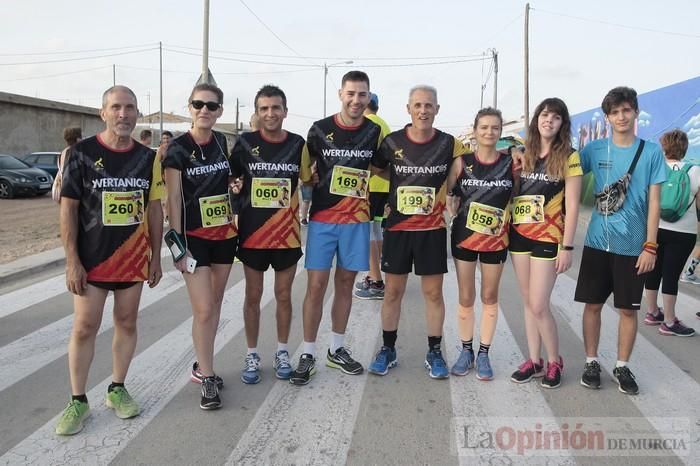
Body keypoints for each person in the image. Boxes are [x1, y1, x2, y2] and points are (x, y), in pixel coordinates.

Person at [55, 85, 164, 435]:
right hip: (92, 260)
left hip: (132, 259)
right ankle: (77, 400)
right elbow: (68, 209)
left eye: (130, 107)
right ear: (103, 113)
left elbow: (154, 209)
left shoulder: (148, 159)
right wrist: (72, 260)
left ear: (137, 113)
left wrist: (155, 257)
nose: (123, 114)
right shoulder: (81, 153)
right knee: (85, 327)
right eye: (116, 107)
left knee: (127, 323)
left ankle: (117, 388)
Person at [290, 70, 383, 385]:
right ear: (341, 94)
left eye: (362, 95)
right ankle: (307, 352)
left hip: (357, 221)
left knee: (345, 285)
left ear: (368, 97)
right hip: (323, 219)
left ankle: (337, 348)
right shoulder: (318, 130)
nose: (356, 100)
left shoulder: (374, 131)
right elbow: (304, 170)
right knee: (315, 287)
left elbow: (385, 166)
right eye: (351, 94)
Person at [367, 85, 465, 379]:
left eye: (429, 105)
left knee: (433, 293)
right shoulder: (392, 141)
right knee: (393, 292)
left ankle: (434, 352)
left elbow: (475, 159)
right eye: (418, 105)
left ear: (437, 109)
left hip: (432, 229)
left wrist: (515, 152)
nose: (423, 110)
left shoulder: (450, 143)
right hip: (397, 228)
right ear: (408, 109)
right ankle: (388, 349)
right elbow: (378, 169)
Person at [574, 87, 666, 395]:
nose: (621, 117)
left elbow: (655, 203)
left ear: (636, 113)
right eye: (615, 112)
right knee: (593, 305)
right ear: (608, 117)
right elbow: (566, 172)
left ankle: (622, 365)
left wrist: (650, 245)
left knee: (628, 310)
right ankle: (591, 361)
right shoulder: (594, 149)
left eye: (626, 110)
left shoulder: (651, 152)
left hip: (634, 247)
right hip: (597, 243)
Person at [163, 83, 237, 409]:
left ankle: (200, 364)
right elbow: (174, 202)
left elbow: (229, 183)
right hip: (194, 240)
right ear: (190, 107)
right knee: (204, 309)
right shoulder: (177, 149)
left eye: (211, 105)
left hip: (224, 236)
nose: (204, 110)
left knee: (215, 304)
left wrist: (236, 187)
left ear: (220, 110)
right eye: (198, 104)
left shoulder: (222, 141)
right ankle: (207, 377)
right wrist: (179, 247)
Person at [229, 85, 305, 383]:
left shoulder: (298, 144)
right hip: (252, 234)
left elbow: (313, 177)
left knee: (284, 295)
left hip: (287, 234)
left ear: (285, 111)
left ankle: (282, 351)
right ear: (257, 113)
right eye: (264, 109)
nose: (270, 114)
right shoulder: (245, 143)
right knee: (253, 295)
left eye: (276, 108)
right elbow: (231, 179)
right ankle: (251, 354)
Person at [508, 98, 583, 389]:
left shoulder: (570, 156)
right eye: (544, 115)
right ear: (536, 119)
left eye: (555, 117)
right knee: (528, 302)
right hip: (520, 235)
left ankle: (555, 361)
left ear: (562, 124)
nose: (548, 120)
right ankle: (534, 360)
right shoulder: (522, 155)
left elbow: (574, 205)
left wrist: (568, 247)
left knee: (539, 304)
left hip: (549, 237)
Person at [446, 107, 515, 382]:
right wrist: (452, 208)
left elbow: (519, 196)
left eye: (494, 128)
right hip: (464, 237)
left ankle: (484, 353)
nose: (489, 132)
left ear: (500, 132)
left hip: (496, 240)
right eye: (484, 127)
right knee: (465, 296)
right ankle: (466, 351)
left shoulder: (511, 164)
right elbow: (449, 191)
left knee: (489, 296)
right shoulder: (461, 162)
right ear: (475, 131)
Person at [643, 129, 698, 336]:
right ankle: (669, 322)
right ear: (684, 147)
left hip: (654, 228)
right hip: (683, 232)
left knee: (653, 270)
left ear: (664, 147)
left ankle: (652, 312)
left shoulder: (654, 169)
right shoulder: (695, 171)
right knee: (671, 275)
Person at [355, 92, 392, 300]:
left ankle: (376, 281)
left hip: (367, 184)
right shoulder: (383, 124)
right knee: (376, 229)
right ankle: (374, 273)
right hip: (383, 184)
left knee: (366, 232)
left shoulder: (366, 123)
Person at [52, 127, 82, 203]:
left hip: (64, 190)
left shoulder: (63, 152)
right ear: (78, 138)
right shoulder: (75, 152)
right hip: (71, 191)